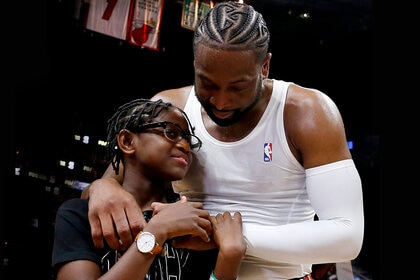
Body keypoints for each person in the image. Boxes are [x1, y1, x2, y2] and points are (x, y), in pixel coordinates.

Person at [82, 2, 365, 279]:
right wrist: (102, 187)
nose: (220, 101)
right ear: (195, 64)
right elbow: (106, 190)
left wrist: (226, 235)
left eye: (237, 87)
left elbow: (347, 237)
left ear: (264, 66)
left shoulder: (306, 112)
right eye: (208, 84)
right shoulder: (170, 108)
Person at [52, 98, 246, 280]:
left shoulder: (191, 218)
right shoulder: (78, 214)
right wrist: (157, 231)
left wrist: (229, 258)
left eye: (189, 139)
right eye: (171, 132)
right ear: (127, 141)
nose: (185, 145)